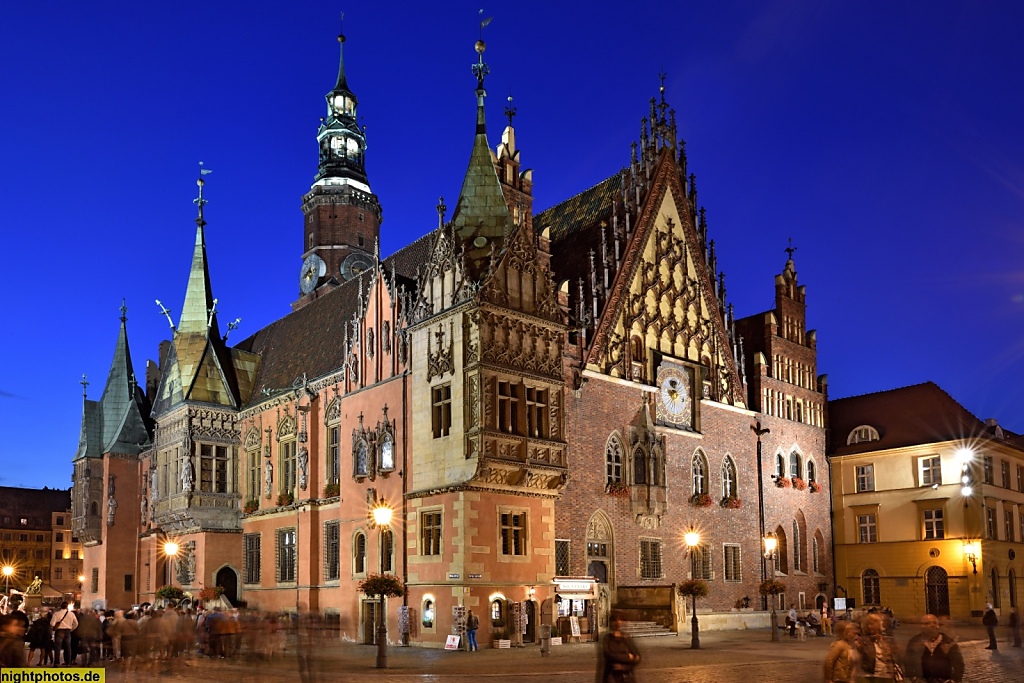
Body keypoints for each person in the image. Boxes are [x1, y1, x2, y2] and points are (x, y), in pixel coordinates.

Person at [902, 613, 964, 683]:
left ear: (938, 625)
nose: (932, 625)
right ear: (921, 626)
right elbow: (908, 662)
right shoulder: (915, 642)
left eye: (934, 622)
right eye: (927, 623)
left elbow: (958, 663)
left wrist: (955, 680)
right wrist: (913, 678)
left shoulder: (947, 641)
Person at [855, 613, 901, 683]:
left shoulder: (887, 640)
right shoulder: (862, 641)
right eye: (868, 624)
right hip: (869, 676)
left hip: (887, 675)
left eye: (872, 624)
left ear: (879, 624)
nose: (870, 626)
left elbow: (895, 657)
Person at [597, 611, 640, 683]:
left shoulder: (626, 638)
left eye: (619, 620)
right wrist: (628, 657)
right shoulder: (607, 638)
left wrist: (624, 667)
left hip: (626, 676)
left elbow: (637, 657)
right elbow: (609, 654)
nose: (617, 622)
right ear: (611, 623)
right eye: (615, 620)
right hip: (612, 677)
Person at [50, 601, 78, 666]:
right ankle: (68, 663)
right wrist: (71, 628)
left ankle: (57, 663)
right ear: (67, 607)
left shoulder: (56, 614)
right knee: (68, 647)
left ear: (61, 606)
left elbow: (52, 624)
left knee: (57, 647)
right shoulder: (71, 614)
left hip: (59, 631)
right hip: (68, 631)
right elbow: (76, 623)